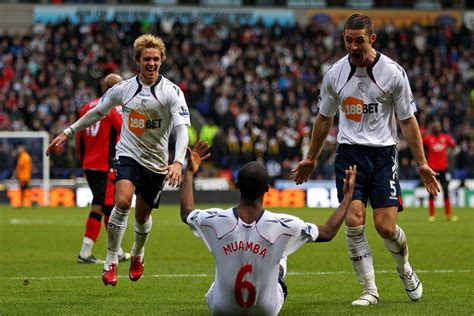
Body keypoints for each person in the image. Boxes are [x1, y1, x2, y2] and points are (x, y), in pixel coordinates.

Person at [293, 14, 440, 306]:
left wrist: (422, 163)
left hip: (384, 155)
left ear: (371, 39)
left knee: (385, 227)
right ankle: (369, 289)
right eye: (348, 40)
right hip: (349, 154)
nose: (353, 46)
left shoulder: (393, 72)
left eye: (359, 40)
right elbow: (324, 119)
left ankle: (405, 268)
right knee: (353, 221)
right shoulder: (334, 73)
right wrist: (311, 157)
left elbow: (407, 121)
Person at [46, 34, 191, 286]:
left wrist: (177, 161)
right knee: (121, 202)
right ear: (138, 60)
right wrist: (68, 132)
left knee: (142, 217)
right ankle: (111, 260)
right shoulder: (123, 89)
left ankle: (137, 253)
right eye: (147, 58)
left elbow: (182, 130)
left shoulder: (172, 92)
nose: (152, 63)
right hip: (127, 154)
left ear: (162, 60)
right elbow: (96, 113)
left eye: (156, 59)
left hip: (156, 162)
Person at [180, 140, 357, 316]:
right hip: (266, 310)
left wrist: (189, 172)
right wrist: (347, 197)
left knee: (220, 276)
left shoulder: (214, 219)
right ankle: (279, 268)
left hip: (222, 309)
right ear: (267, 189)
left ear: (237, 186)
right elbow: (327, 232)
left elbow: (186, 212)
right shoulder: (285, 224)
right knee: (281, 257)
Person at [76, 73, 131, 264]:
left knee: (107, 207)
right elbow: (125, 132)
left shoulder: (85, 107)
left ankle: (119, 251)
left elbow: (78, 139)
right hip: (105, 166)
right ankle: (85, 252)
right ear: (115, 89)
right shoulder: (113, 109)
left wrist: (83, 161)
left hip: (89, 164)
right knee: (103, 207)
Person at [422, 121, 457, 221]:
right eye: (435, 127)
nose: (437, 128)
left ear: (441, 128)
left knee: (446, 190)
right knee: (431, 191)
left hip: (443, 168)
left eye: (438, 126)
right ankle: (431, 215)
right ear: (432, 128)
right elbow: (420, 145)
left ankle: (448, 215)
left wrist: (449, 153)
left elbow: (453, 145)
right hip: (432, 169)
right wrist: (425, 157)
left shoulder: (445, 137)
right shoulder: (428, 138)